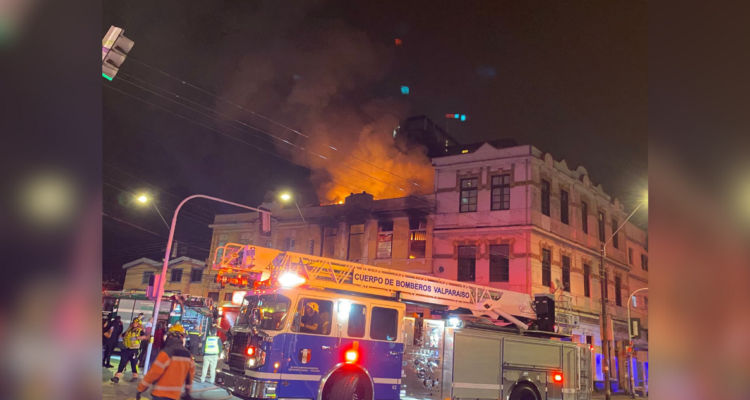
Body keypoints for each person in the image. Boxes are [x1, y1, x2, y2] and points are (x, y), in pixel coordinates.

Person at [136, 323, 195, 400]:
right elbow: (190, 376)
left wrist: (141, 389)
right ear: (182, 338)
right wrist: (187, 392)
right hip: (175, 396)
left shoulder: (166, 352)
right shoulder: (188, 355)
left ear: (170, 336)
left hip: (160, 394)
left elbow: (154, 372)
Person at [111, 318, 149, 383]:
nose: (134, 323)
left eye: (135, 322)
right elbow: (123, 335)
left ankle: (135, 376)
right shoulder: (129, 330)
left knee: (134, 363)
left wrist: (137, 337)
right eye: (133, 322)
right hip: (127, 348)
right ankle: (116, 377)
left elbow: (145, 337)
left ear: (138, 324)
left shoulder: (140, 331)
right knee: (122, 362)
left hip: (135, 349)